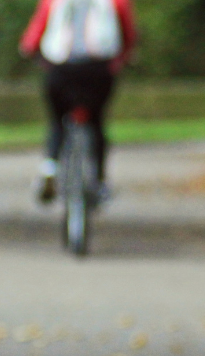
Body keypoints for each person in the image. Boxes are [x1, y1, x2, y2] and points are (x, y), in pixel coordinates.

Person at [20, 0, 138, 205]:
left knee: (57, 121)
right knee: (96, 121)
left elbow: (30, 42)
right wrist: (125, 58)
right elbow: (128, 37)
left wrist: (34, 54)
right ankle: (99, 180)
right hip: (98, 71)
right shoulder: (116, 2)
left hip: (60, 70)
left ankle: (50, 167)